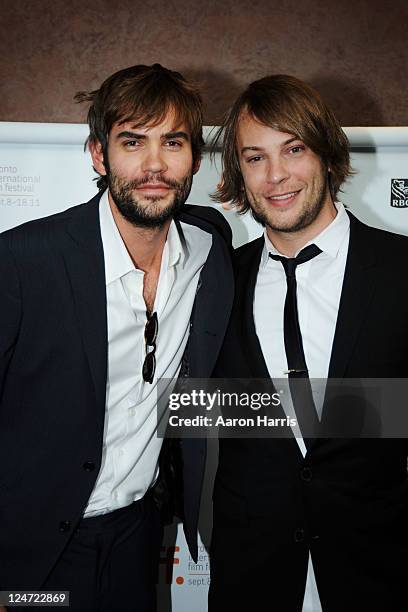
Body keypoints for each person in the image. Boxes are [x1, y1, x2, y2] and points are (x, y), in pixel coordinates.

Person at [0, 63, 233, 612]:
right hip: (33, 554)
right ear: (100, 154)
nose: (155, 165)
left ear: (195, 159)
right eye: (133, 141)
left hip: (138, 538)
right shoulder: (23, 262)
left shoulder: (209, 249)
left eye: (172, 142)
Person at [209, 74, 408, 612]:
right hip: (251, 577)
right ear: (239, 172)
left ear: (325, 153)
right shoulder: (214, 282)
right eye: (255, 157)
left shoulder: (400, 271)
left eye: (292, 149)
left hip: (379, 574)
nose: (276, 176)